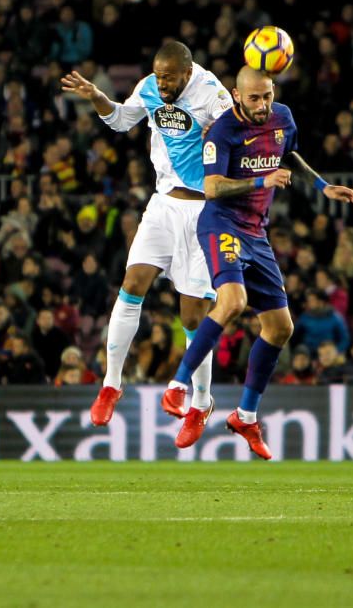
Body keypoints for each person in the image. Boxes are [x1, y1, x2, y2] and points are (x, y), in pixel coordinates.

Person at [165, 65, 353, 452]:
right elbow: (213, 187)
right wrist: (261, 181)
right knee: (233, 301)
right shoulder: (222, 131)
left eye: (267, 95)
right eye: (254, 97)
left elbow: (291, 156)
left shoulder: (282, 118)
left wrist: (323, 187)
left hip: (257, 232)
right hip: (221, 223)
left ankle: (246, 417)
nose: (263, 104)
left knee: (280, 328)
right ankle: (177, 387)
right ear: (237, 96)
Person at [61, 41, 234, 428]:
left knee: (193, 316)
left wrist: (219, 136)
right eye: (159, 76)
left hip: (204, 211)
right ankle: (110, 384)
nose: (163, 84)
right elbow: (121, 120)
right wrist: (97, 97)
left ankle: (201, 402)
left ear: (188, 73)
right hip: (162, 205)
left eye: (170, 78)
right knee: (132, 283)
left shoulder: (212, 93)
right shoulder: (150, 86)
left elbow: (240, 138)